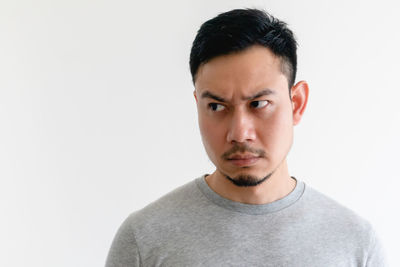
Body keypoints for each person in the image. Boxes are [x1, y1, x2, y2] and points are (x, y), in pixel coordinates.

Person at [105, 8, 386, 266]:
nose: (239, 132)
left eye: (258, 104)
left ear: (297, 103)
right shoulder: (144, 239)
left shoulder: (356, 244)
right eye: (216, 107)